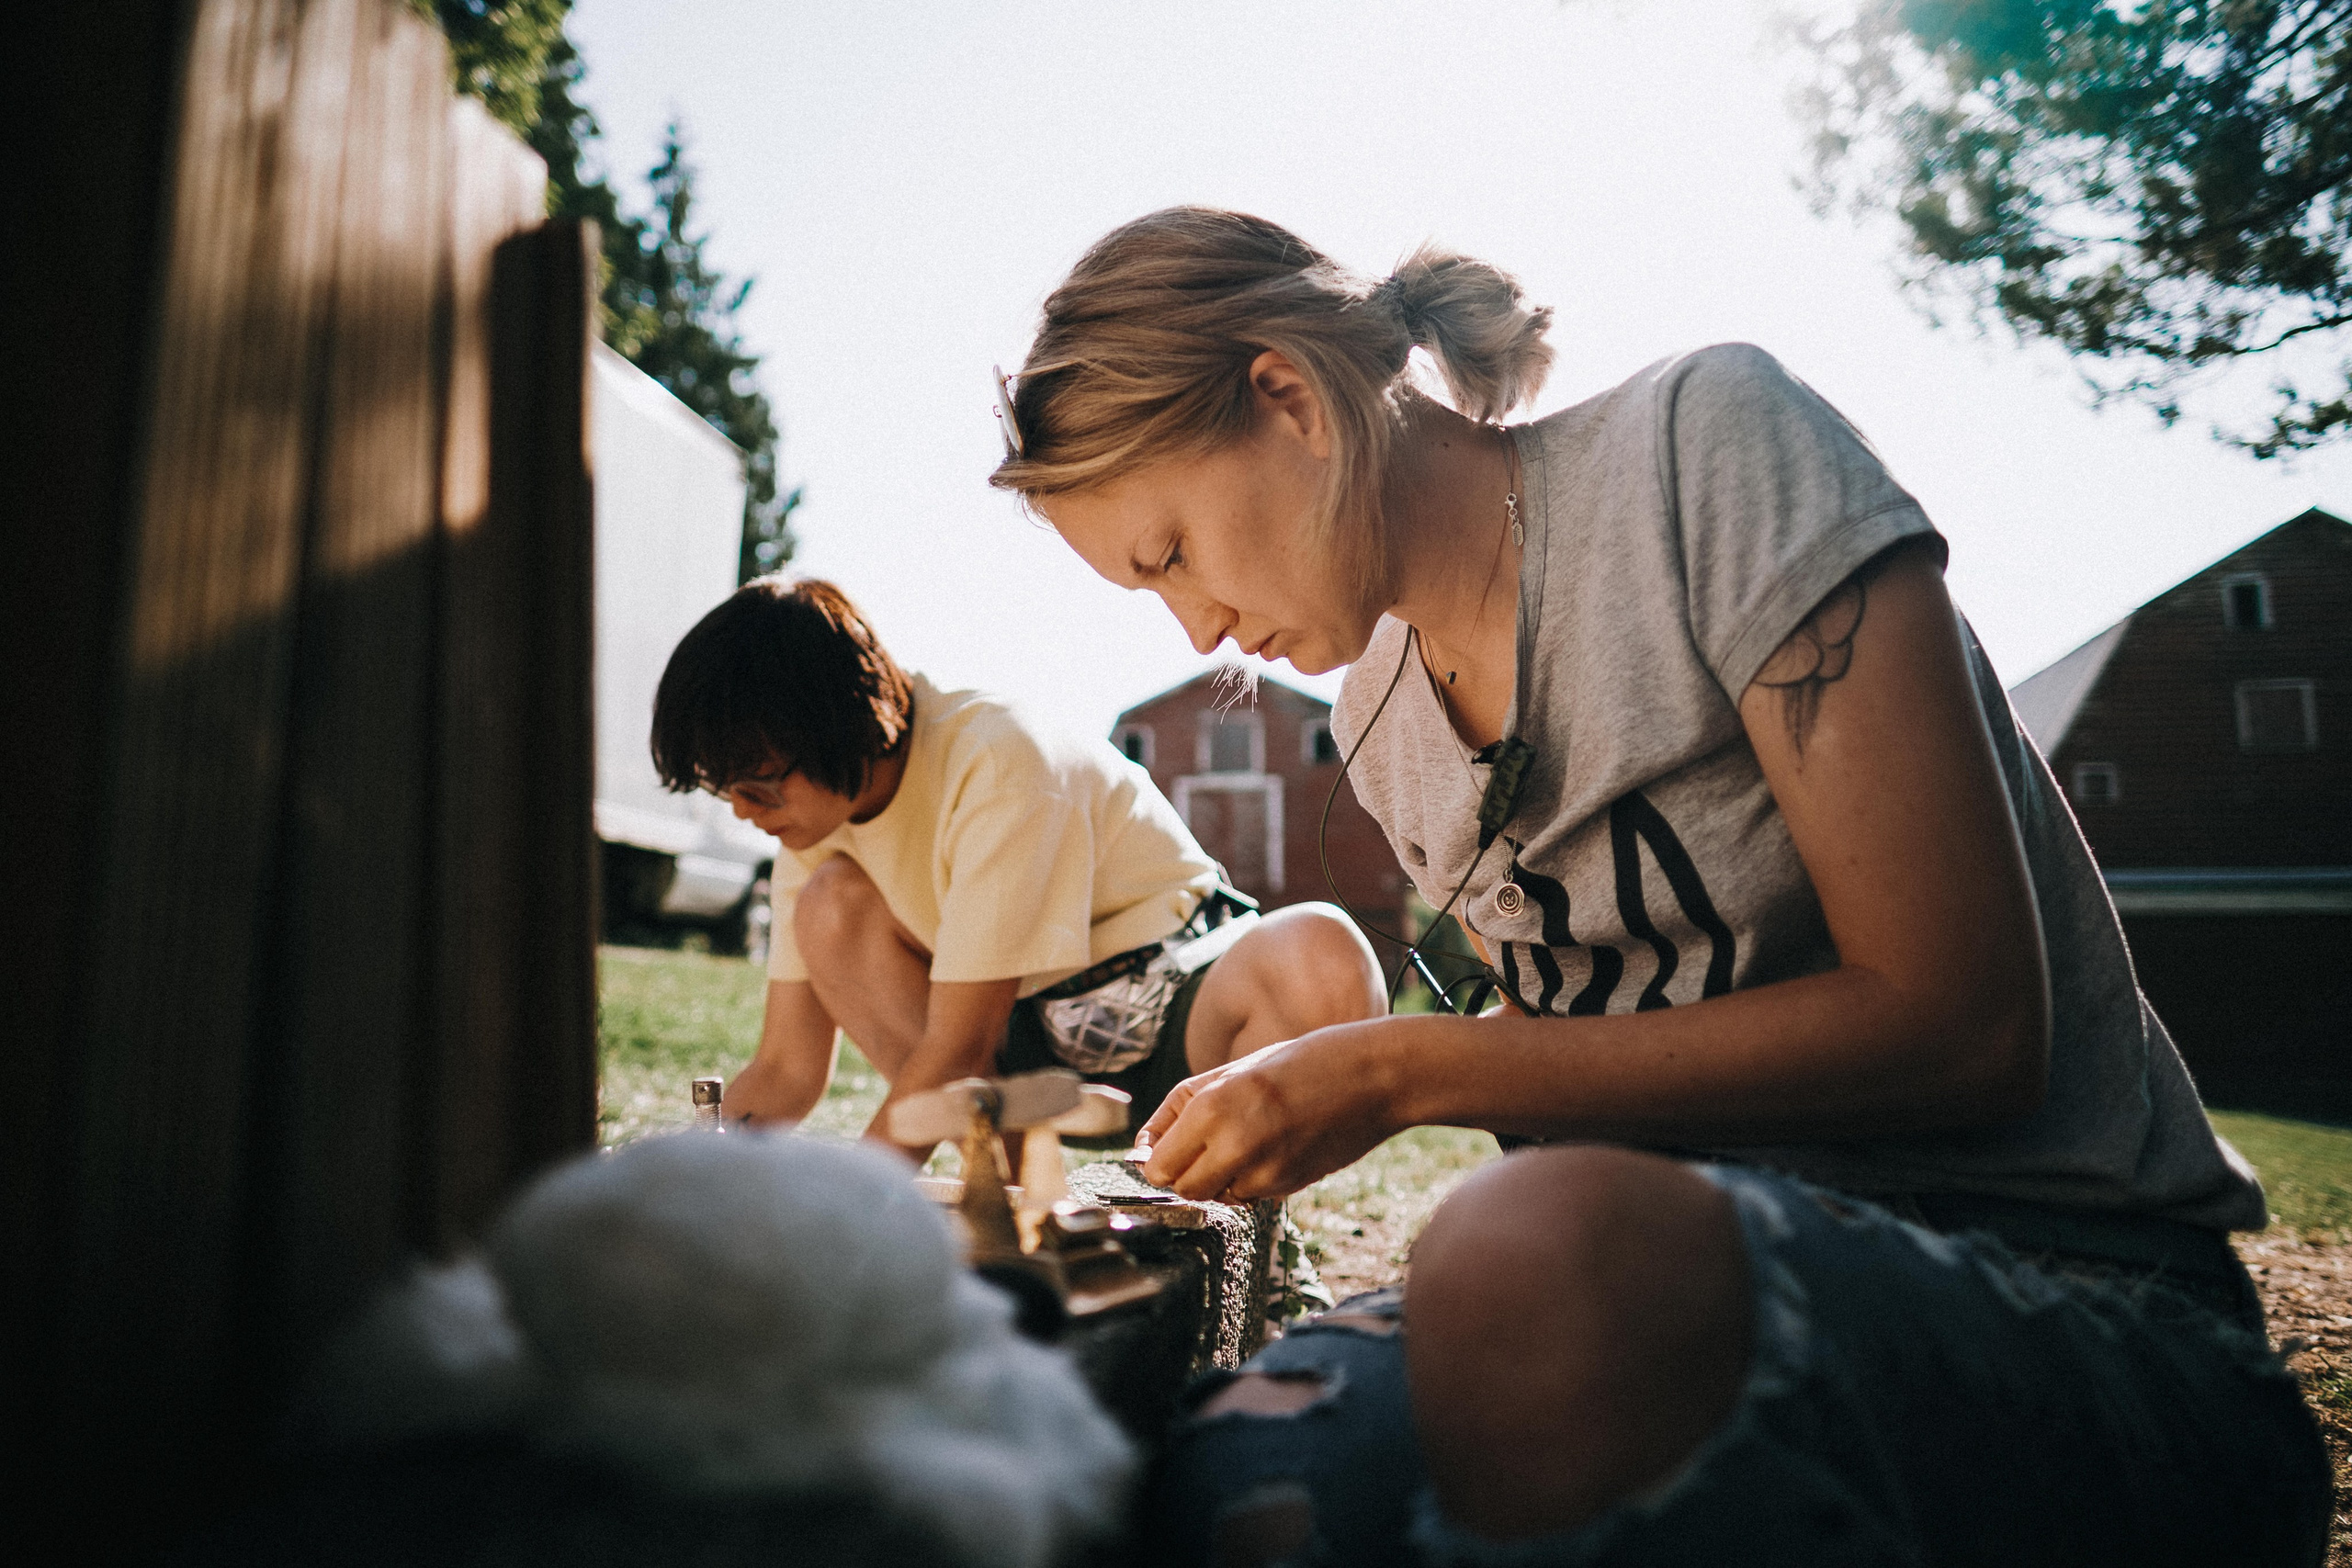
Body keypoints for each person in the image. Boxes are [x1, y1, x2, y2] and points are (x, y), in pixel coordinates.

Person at [989, 209, 2326, 1565]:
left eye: (1172, 553)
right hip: (1651, 1285)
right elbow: (1613, 1041)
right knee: (1225, 1464)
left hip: (2084, 1305)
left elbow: (1968, 1021)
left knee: (1527, 1249)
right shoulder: (1380, 723)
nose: (1198, 628)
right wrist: (1329, 1084)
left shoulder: (1706, 448)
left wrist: (1404, 1069)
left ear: (1287, 399)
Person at [649, 573, 1384, 1148]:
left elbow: (960, 1049)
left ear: (837, 727)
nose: (741, 809)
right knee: (832, 904)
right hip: (1014, 1046)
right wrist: (684, 1172)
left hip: (1180, 1004)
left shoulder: (998, 759)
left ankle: (1236, 1226)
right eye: (722, 789)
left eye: (754, 783)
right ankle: (1008, 1206)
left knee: (1321, 956)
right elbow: (786, 1070)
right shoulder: (813, 828)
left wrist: (860, 1215)